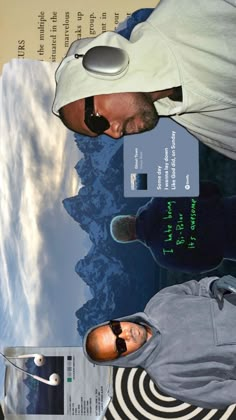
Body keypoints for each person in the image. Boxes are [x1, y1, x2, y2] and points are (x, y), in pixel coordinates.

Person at [53, 0, 236, 159]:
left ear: (104, 66)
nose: (115, 134)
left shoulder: (198, 9)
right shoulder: (204, 128)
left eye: (97, 121)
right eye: (100, 132)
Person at [84, 275, 236, 409]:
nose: (125, 334)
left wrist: (214, 284)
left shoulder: (159, 301)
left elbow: (198, 288)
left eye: (116, 328)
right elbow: (224, 393)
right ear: (122, 359)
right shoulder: (168, 378)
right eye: (120, 345)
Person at [110, 182, 236, 273]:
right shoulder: (162, 197)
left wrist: (219, 248)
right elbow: (209, 188)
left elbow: (206, 264)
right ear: (130, 216)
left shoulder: (163, 256)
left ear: (131, 239)